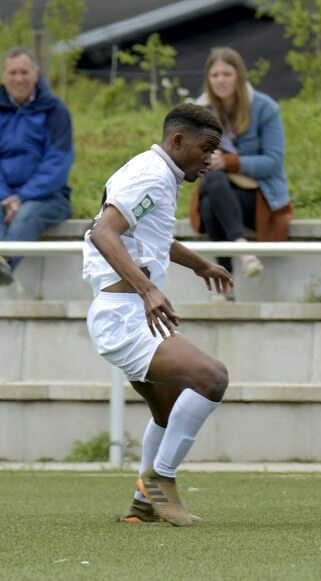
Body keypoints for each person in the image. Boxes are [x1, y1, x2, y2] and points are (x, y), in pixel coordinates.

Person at [83, 104, 232, 526]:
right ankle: (160, 482)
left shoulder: (155, 172)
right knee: (212, 378)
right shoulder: (151, 176)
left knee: (167, 411)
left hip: (124, 313)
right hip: (124, 316)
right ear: (177, 141)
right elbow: (103, 232)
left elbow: (146, 237)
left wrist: (200, 264)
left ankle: (142, 506)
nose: (210, 159)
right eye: (206, 148)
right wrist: (148, 289)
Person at [188, 47, 292, 293]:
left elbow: (273, 161)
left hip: (258, 199)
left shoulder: (265, 108)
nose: (221, 81)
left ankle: (225, 283)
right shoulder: (200, 112)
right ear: (208, 79)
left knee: (212, 192)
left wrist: (229, 162)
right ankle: (241, 252)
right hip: (219, 193)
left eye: (227, 74)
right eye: (215, 75)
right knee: (211, 190)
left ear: (239, 76)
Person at [0, 47, 73, 285]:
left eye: (24, 72)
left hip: (49, 197)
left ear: (36, 74)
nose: (19, 79)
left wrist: (21, 197)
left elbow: (57, 163)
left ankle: (4, 266)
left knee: (26, 215)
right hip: (3, 197)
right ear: (3, 75)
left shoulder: (56, 111)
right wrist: (6, 197)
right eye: (12, 73)